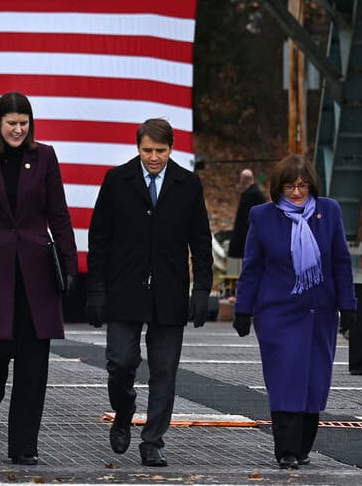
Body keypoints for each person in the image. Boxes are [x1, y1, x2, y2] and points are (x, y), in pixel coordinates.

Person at [0, 91, 78, 465]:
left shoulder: (45, 157)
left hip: (37, 275)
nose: (18, 130)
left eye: (24, 123)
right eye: (12, 123)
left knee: (33, 364)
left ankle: (24, 446)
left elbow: (59, 214)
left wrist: (70, 264)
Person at [85, 118, 212, 468]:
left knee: (164, 371)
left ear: (171, 149)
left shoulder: (188, 184)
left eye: (160, 150)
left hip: (170, 293)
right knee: (120, 362)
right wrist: (96, 288)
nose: (154, 157)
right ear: (137, 147)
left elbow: (201, 241)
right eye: (147, 150)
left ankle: (153, 441)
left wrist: (202, 288)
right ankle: (124, 411)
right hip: (125, 290)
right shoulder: (117, 181)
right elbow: (99, 239)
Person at [231, 154, 357, 469]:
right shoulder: (262, 217)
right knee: (285, 378)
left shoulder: (329, 211)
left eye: (303, 186)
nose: (297, 192)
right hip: (278, 314)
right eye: (290, 187)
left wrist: (348, 305)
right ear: (279, 188)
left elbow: (341, 261)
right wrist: (243, 308)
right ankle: (286, 448)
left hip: (319, 314)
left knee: (314, 379)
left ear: (312, 185)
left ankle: (302, 447)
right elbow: (252, 266)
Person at [229, 168, 265, 258]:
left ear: (243, 179)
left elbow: (246, 220)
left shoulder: (251, 195)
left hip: (248, 238)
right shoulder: (255, 193)